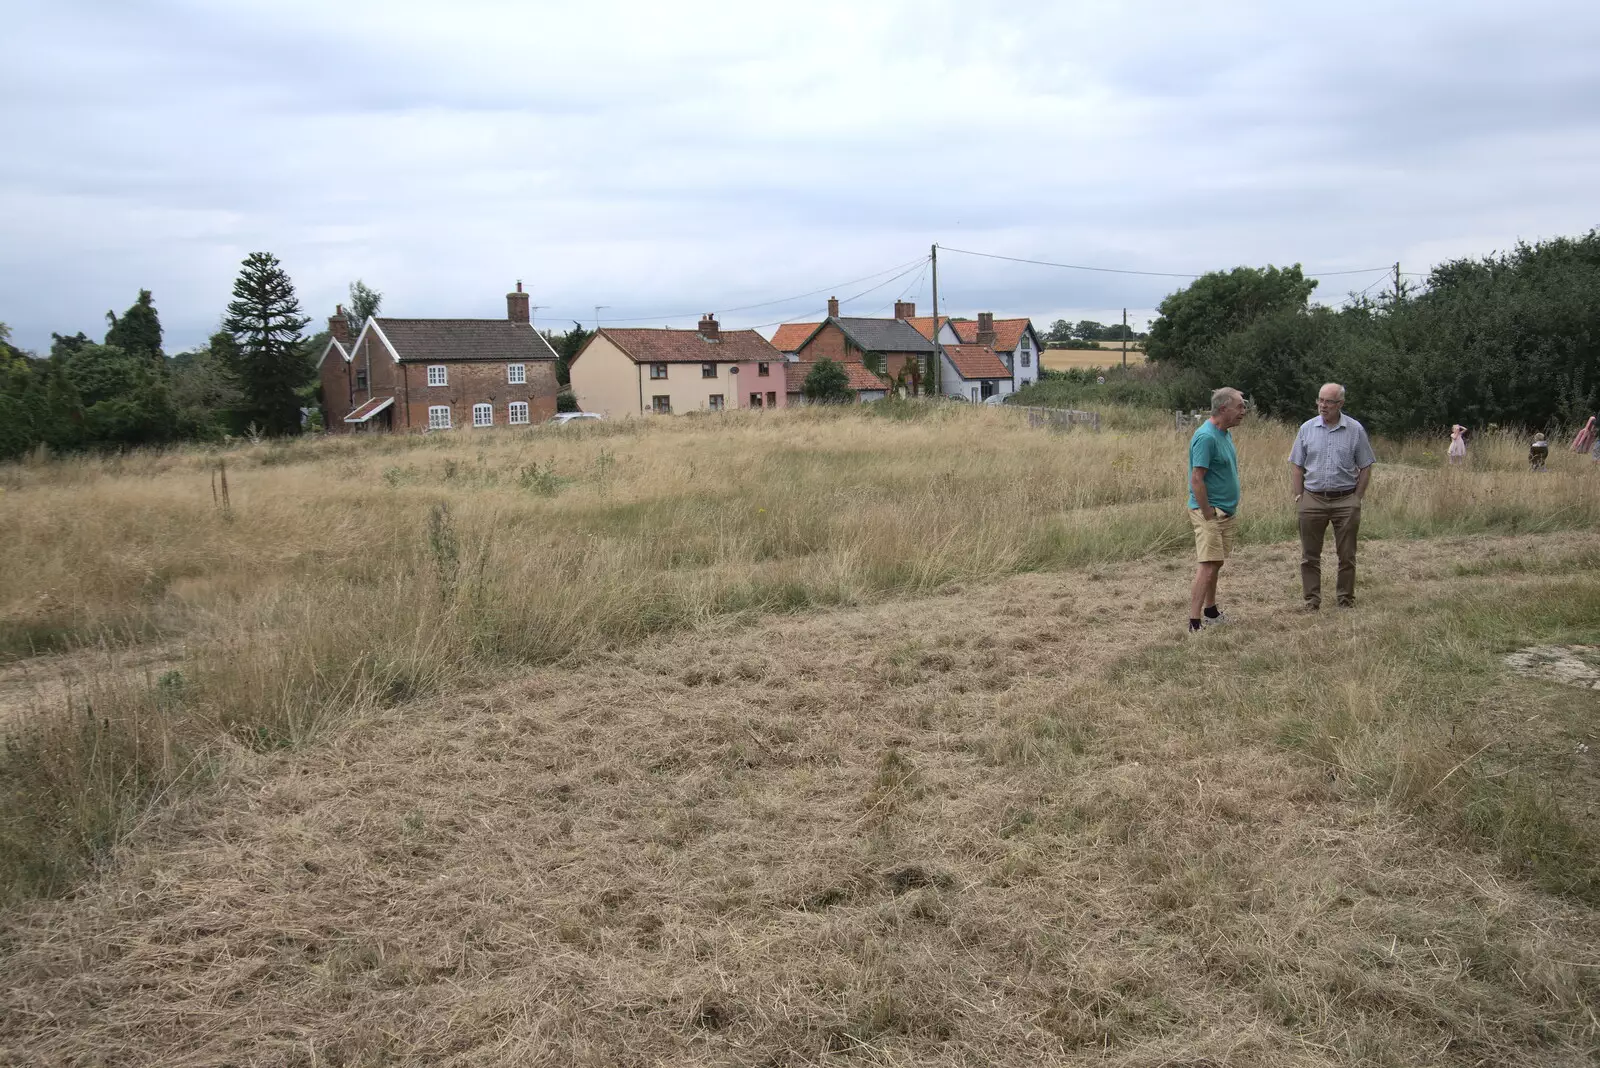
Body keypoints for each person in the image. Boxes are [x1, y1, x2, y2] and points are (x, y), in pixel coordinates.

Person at [1289, 383, 1376, 610]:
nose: (1322, 406)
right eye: (1320, 400)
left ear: (1341, 404)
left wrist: (1357, 498)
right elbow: (1297, 465)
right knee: (1309, 556)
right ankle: (1311, 602)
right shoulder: (1306, 429)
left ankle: (1345, 600)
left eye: (1329, 402)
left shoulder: (1355, 430)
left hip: (1345, 500)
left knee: (1347, 556)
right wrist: (1299, 496)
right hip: (1313, 499)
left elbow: (1366, 466)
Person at [1187, 387, 1246, 632]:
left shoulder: (1225, 433)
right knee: (1208, 564)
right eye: (1240, 406)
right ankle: (1194, 622)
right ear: (1223, 409)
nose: (1244, 411)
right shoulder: (1207, 437)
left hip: (1225, 512)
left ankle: (1211, 611)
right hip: (1210, 513)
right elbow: (1197, 478)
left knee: (1216, 562)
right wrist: (1208, 513)